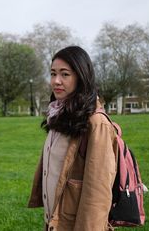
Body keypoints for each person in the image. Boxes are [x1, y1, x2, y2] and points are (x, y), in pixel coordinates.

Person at [28, 46, 118, 231]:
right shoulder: (58, 114)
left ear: (81, 77)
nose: (56, 81)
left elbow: (98, 192)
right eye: (53, 74)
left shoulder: (96, 122)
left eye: (65, 74)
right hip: (55, 222)